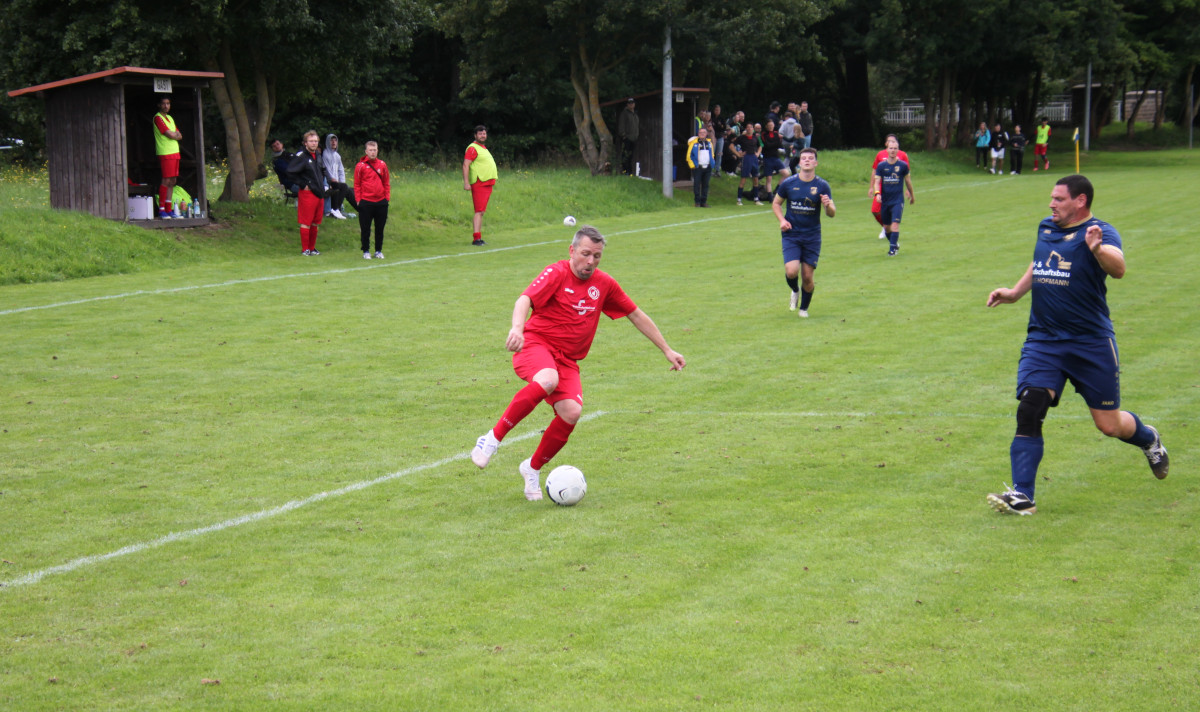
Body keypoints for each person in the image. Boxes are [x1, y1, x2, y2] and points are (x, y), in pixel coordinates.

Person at [984, 174, 1168, 515]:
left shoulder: (1101, 232)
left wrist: (1096, 249)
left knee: (1109, 425)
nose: (1051, 204)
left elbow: (1119, 268)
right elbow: (1041, 260)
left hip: (1090, 343)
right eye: (1052, 198)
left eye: (1059, 199)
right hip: (1044, 340)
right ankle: (1023, 496)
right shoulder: (1046, 227)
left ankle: (1148, 438)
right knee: (1030, 407)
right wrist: (1015, 292)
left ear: (1080, 200)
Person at [469, 225, 686, 500]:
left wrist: (667, 349)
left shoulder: (604, 284)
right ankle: (491, 439)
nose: (590, 261)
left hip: (567, 360)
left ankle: (532, 468)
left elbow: (635, 314)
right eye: (585, 254)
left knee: (571, 412)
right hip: (535, 344)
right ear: (572, 251)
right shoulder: (557, 272)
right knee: (548, 379)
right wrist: (517, 328)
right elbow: (524, 299)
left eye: (597, 256)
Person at [771, 147, 835, 318]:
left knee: (807, 276)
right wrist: (782, 220)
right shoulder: (789, 183)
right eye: (804, 158)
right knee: (791, 271)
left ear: (816, 163)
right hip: (792, 234)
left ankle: (803, 309)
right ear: (799, 162)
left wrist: (828, 205)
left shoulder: (822, 185)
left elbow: (832, 213)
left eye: (810, 158)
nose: (807, 160)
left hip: (812, 236)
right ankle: (795, 290)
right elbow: (776, 204)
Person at [286, 130, 331, 256]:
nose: (314, 143)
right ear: (305, 143)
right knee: (306, 222)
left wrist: (328, 182)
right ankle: (305, 249)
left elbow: (323, 170)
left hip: (319, 192)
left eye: (316, 141)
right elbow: (290, 172)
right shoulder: (301, 156)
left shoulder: (318, 155)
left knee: (315, 222)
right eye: (311, 141)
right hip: (308, 193)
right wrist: (303, 184)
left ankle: (312, 248)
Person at [872, 140, 915, 256]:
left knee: (895, 224)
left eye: (895, 148)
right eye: (891, 148)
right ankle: (894, 243)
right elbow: (877, 182)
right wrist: (877, 193)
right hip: (886, 201)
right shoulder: (881, 166)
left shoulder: (903, 166)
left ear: (898, 150)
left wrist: (912, 195)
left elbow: (908, 181)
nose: (893, 150)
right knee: (887, 228)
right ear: (887, 149)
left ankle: (892, 250)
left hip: (897, 200)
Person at [354, 140, 390, 259]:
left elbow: (386, 182)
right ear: (366, 151)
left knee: (380, 228)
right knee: (365, 228)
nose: (373, 152)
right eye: (370, 150)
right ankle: (366, 251)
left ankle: (378, 250)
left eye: (374, 150)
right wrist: (358, 200)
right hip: (366, 201)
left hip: (381, 201)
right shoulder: (360, 166)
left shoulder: (382, 164)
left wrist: (386, 198)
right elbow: (357, 184)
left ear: (377, 151)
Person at [869, 134, 910, 240]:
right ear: (886, 144)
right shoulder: (880, 155)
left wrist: (908, 190)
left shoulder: (902, 155)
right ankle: (885, 226)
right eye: (889, 141)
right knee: (875, 210)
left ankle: (891, 231)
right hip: (881, 187)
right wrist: (871, 187)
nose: (891, 144)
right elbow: (874, 171)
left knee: (893, 213)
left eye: (893, 141)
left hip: (895, 188)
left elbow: (906, 174)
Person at [462, 125, 498, 246]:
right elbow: (466, 165)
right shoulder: (472, 148)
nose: (483, 136)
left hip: (487, 183)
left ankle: (479, 237)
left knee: (481, 211)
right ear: (475, 135)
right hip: (479, 183)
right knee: (479, 211)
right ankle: (476, 239)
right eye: (480, 134)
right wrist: (466, 182)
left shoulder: (482, 148)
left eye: (484, 133)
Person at [153, 96, 183, 219]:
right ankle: (162, 210)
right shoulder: (158, 118)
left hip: (175, 152)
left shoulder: (170, 118)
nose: (166, 106)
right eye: (163, 103)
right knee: (166, 180)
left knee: (173, 181)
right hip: (165, 152)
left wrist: (174, 135)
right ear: (159, 105)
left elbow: (179, 135)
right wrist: (174, 135)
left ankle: (168, 209)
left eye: (168, 103)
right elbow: (169, 134)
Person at [321, 133, 358, 219]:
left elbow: (341, 170)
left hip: (336, 181)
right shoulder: (325, 154)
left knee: (347, 189)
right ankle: (336, 209)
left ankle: (362, 210)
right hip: (329, 181)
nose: (333, 142)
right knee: (344, 187)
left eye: (335, 140)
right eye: (331, 140)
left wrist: (342, 181)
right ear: (328, 142)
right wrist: (332, 179)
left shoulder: (337, 155)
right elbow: (326, 169)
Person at [732, 124, 762, 206]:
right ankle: (739, 199)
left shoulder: (755, 137)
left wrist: (758, 153)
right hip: (746, 158)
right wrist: (738, 154)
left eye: (751, 127)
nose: (749, 129)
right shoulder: (742, 138)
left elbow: (760, 146)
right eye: (748, 127)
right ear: (746, 129)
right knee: (743, 178)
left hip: (754, 158)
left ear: (753, 129)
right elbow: (731, 145)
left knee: (755, 178)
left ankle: (756, 199)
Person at [686, 127, 715, 208]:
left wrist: (712, 162)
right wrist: (693, 165)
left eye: (704, 132)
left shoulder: (709, 143)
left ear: (706, 134)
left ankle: (704, 202)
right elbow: (689, 155)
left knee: (706, 185)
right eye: (700, 132)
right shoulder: (693, 143)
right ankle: (697, 202)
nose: (702, 134)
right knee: (697, 184)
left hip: (707, 166)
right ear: (698, 134)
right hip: (698, 167)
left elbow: (712, 154)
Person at [759, 119, 789, 194]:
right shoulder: (763, 134)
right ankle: (770, 196)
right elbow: (767, 145)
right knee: (769, 178)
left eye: (772, 125)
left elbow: (779, 144)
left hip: (776, 157)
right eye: (769, 125)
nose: (770, 127)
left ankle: (777, 189)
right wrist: (775, 143)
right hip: (767, 158)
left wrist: (773, 143)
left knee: (786, 173)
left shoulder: (776, 133)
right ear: (766, 126)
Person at [617, 98, 639, 176]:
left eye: (632, 103)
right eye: (629, 103)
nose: (631, 104)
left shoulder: (635, 114)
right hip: (627, 138)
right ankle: (625, 171)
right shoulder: (624, 113)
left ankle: (630, 172)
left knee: (630, 156)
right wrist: (624, 136)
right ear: (627, 104)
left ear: (634, 104)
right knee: (625, 155)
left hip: (634, 138)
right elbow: (621, 125)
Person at [710, 105, 727, 177]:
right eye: (716, 110)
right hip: (713, 137)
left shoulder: (722, 118)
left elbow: (724, 127)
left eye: (718, 110)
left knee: (719, 153)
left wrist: (720, 126)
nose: (717, 111)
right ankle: (710, 169)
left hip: (720, 137)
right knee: (712, 153)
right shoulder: (711, 117)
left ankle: (717, 169)